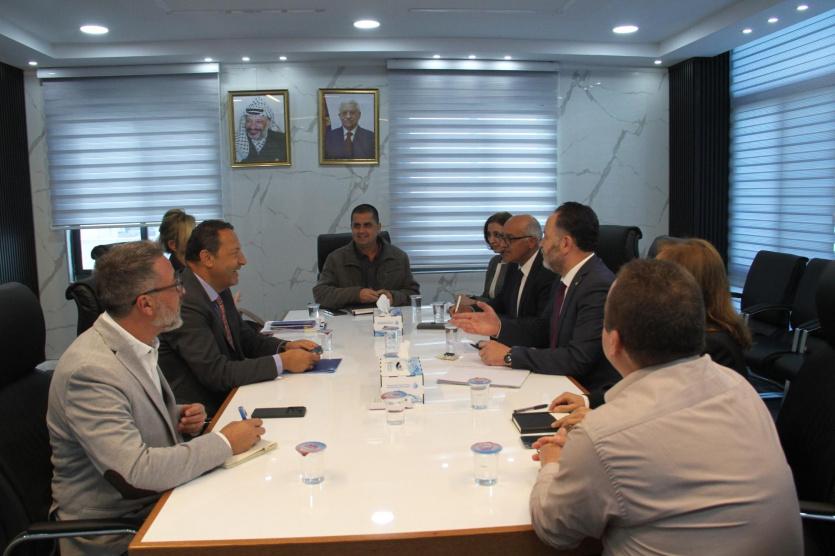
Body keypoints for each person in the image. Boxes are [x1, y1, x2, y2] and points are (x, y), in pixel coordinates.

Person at [529, 259, 802, 554]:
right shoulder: (740, 387)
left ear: (613, 341)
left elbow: (555, 530)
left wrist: (552, 460)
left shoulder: (602, 435)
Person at [47, 241, 265, 556]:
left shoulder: (136, 341)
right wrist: (224, 443)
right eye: (175, 285)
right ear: (146, 304)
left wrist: (173, 415)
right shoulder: (90, 370)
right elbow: (135, 473)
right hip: (119, 532)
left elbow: (126, 412)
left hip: (158, 504)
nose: (183, 292)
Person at [548, 237, 753, 430]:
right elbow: (642, 383)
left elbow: (665, 410)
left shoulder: (711, 347)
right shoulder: (683, 332)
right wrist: (589, 400)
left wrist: (603, 419)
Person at [452, 202, 619, 393]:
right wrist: (498, 327)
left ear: (565, 243)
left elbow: (578, 358)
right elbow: (543, 329)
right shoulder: (567, 278)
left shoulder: (596, 285)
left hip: (582, 391)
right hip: (558, 380)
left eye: (546, 237)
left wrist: (510, 356)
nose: (541, 244)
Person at [159, 220, 319, 417]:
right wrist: (282, 362)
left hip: (235, 395)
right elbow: (216, 373)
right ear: (207, 258)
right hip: (207, 415)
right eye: (235, 253)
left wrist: (285, 347)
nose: (243, 261)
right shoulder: (184, 302)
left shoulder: (218, 287)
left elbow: (244, 337)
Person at [313, 204, 420, 309]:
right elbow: (320, 294)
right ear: (351, 228)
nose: (361, 231)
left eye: (367, 225)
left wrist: (393, 297)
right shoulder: (336, 259)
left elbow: (413, 294)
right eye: (357, 226)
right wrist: (356, 295)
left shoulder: (399, 257)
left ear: (378, 228)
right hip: (349, 319)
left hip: (387, 318)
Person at [456, 215, 554, 318]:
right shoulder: (513, 265)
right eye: (503, 238)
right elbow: (502, 302)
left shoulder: (548, 271)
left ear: (531, 242)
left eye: (510, 239)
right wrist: (472, 309)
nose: (503, 245)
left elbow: (541, 323)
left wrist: (497, 325)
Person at [235, 96, 287, 164]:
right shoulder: (236, 142)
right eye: (249, 121)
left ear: (268, 123)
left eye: (258, 121)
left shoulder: (283, 140)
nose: (252, 127)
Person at [481, 211, 512, 300]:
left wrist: (473, 302)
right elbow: (486, 296)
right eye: (488, 235)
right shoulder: (494, 261)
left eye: (497, 235)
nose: (491, 240)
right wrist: (471, 299)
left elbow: (506, 302)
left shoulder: (518, 263)